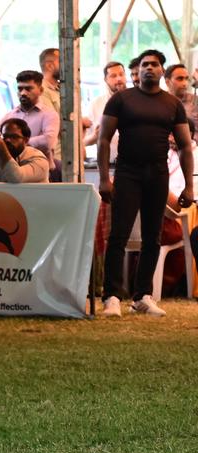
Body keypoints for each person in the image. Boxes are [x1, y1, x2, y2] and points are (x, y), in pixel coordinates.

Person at [98, 49, 194, 318]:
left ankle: (142, 296)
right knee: (119, 235)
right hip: (128, 173)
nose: (149, 68)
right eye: (144, 65)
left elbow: (185, 146)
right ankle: (112, 296)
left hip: (158, 174)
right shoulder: (121, 100)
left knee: (153, 237)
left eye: (154, 64)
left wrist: (189, 186)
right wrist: (105, 178)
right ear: (138, 71)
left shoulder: (172, 104)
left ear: (161, 70)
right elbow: (104, 139)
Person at [1, 70, 61, 180]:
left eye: (28, 89)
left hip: (42, 173)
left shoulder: (49, 115)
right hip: (11, 173)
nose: (23, 93)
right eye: (20, 89)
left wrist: (15, 143)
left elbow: (48, 141)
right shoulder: (8, 116)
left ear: (41, 90)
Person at [83, 61, 126, 154]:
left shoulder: (136, 100)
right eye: (113, 76)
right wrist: (95, 136)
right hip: (108, 163)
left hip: (135, 162)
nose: (119, 78)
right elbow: (83, 142)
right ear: (105, 80)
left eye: (121, 74)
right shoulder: (96, 104)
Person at [165, 64, 198, 133]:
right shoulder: (159, 101)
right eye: (180, 79)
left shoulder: (195, 101)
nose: (185, 83)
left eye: (186, 79)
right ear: (167, 82)